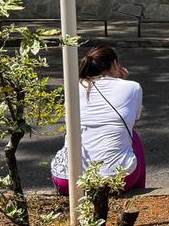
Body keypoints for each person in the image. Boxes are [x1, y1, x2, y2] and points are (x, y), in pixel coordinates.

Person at [50, 46, 145, 195]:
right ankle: (138, 191)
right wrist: (121, 80)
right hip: (118, 180)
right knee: (134, 138)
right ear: (114, 65)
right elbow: (133, 121)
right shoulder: (132, 87)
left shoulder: (72, 87)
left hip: (67, 181)